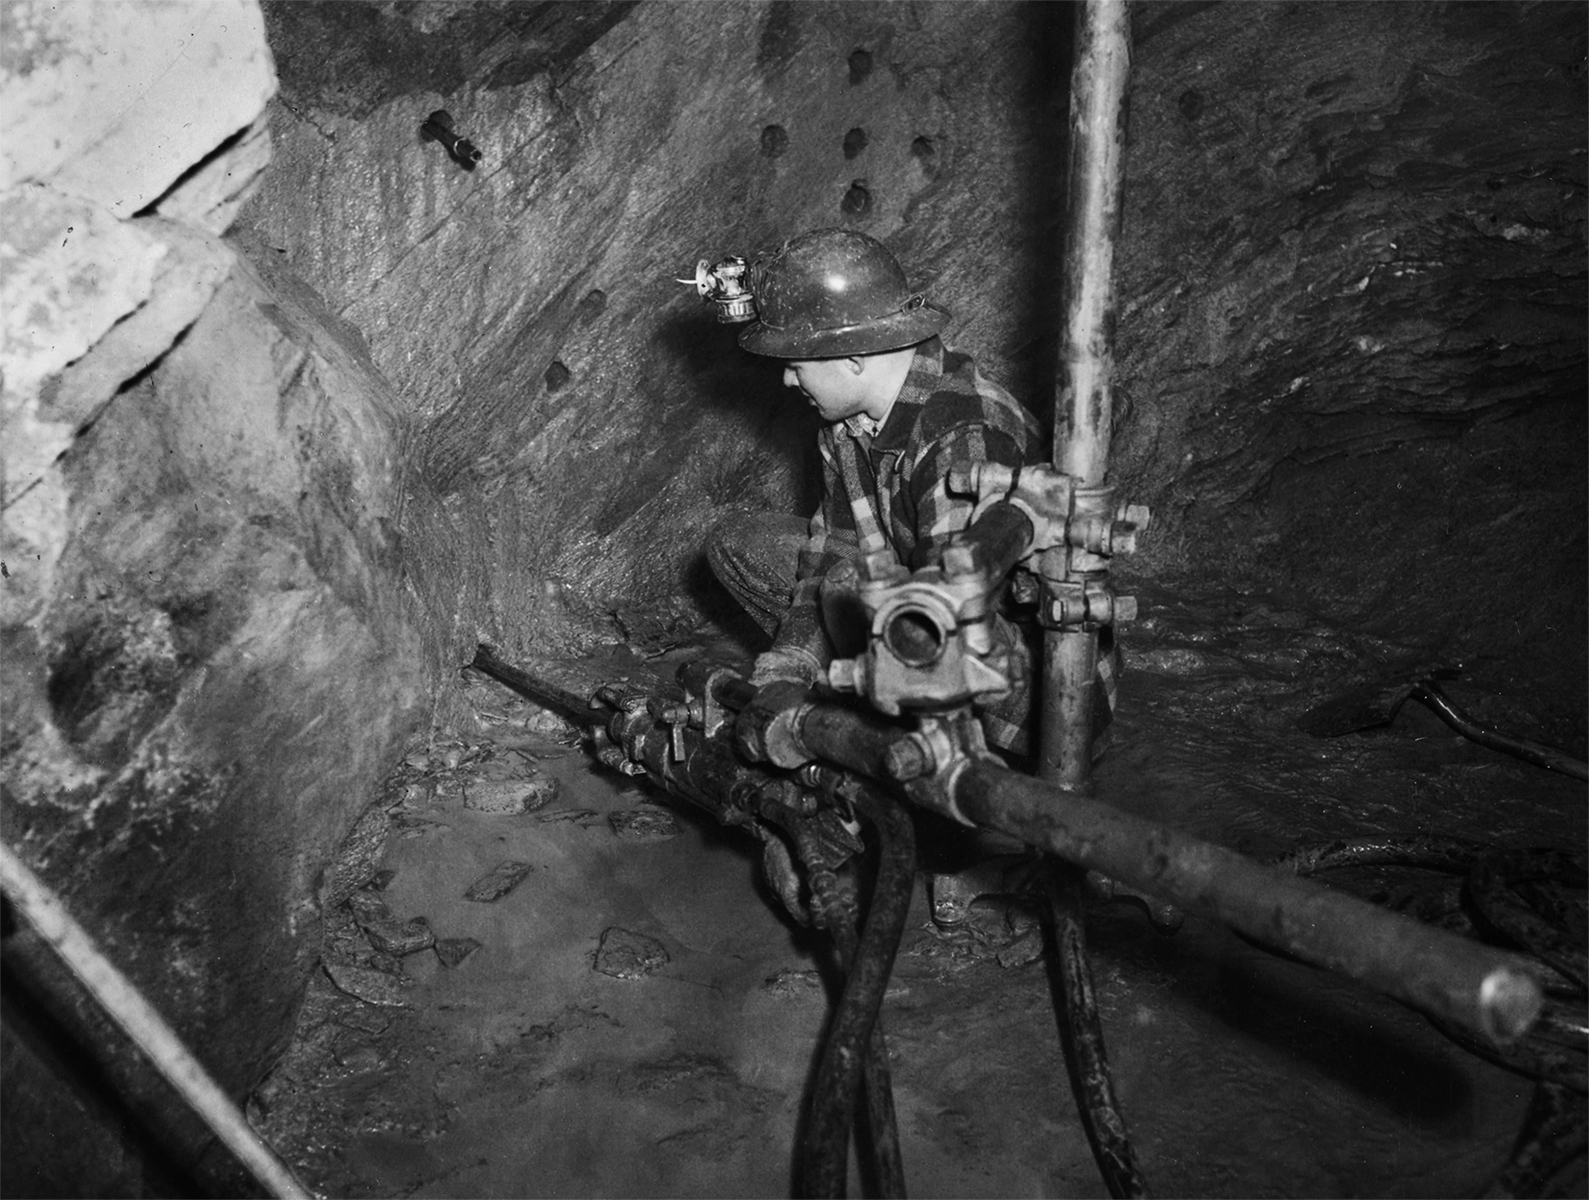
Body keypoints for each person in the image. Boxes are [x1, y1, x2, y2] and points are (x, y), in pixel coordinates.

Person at [706, 226, 1060, 759]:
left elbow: (950, 619)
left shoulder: (963, 437)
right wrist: (787, 667)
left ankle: (955, 761)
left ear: (852, 357)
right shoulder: (848, 421)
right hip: (916, 602)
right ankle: (862, 694)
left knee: (861, 595)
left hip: (1012, 681)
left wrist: (846, 736)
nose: (786, 382)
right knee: (747, 545)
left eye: (795, 366)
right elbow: (834, 547)